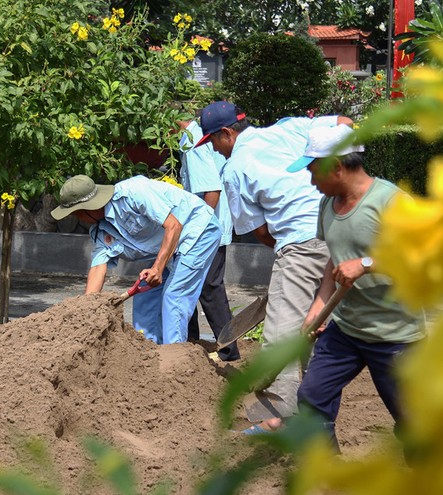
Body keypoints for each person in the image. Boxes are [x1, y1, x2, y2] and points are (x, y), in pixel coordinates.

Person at [242, 124, 427, 446]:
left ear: (336, 167)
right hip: (347, 330)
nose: (311, 182)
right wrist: (318, 308)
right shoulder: (327, 205)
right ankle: (324, 479)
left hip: (394, 334)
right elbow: (333, 260)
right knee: (312, 398)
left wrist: (367, 264)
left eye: (314, 173)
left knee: (414, 420)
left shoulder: (391, 202)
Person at [196, 101, 353, 417]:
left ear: (226, 133)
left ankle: (279, 416)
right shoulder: (289, 128)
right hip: (340, 230)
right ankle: (316, 408)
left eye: (212, 140)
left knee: (280, 334)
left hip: (300, 242)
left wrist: (291, 259)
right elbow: (345, 122)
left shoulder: (233, 170)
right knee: (314, 323)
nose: (214, 150)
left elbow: (262, 232)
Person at [50, 174, 222, 345]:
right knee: (144, 297)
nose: (76, 218)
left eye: (76, 214)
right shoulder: (101, 231)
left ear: (85, 209)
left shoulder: (134, 193)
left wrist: (157, 268)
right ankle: (148, 354)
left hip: (197, 230)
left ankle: (173, 359)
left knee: (174, 296)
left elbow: (174, 225)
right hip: (169, 247)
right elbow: (97, 268)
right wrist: (86, 309)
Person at [178, 116, 240, 361]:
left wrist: (199, 231)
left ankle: (228, 350)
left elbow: (211, 190)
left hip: (206, 227)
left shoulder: (191, 140)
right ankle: (190, 342)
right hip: (212, 223)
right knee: (191, 282)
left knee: (208, 287)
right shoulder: (198, 135)